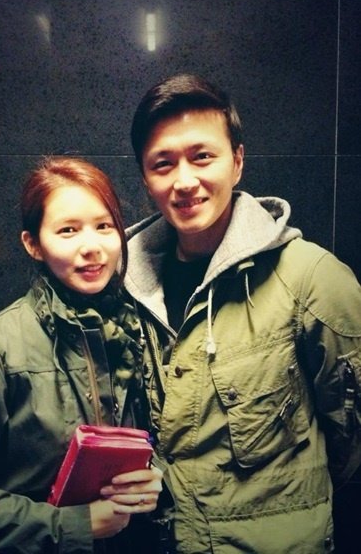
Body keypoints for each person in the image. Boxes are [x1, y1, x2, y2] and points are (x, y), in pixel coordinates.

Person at [123, 73, 361, 553]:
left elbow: (350, 436)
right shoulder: (125, 283)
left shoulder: (311, 279)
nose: (184, 181)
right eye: (163, 164)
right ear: (146, 180)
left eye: (202, 156)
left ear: (237, 162)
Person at [0, 155, 165, 554]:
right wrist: (75, 525)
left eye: (104, 226)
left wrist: (152, 478)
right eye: (68, 230)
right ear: (33, 244)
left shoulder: (138, 330)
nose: (91, 247)